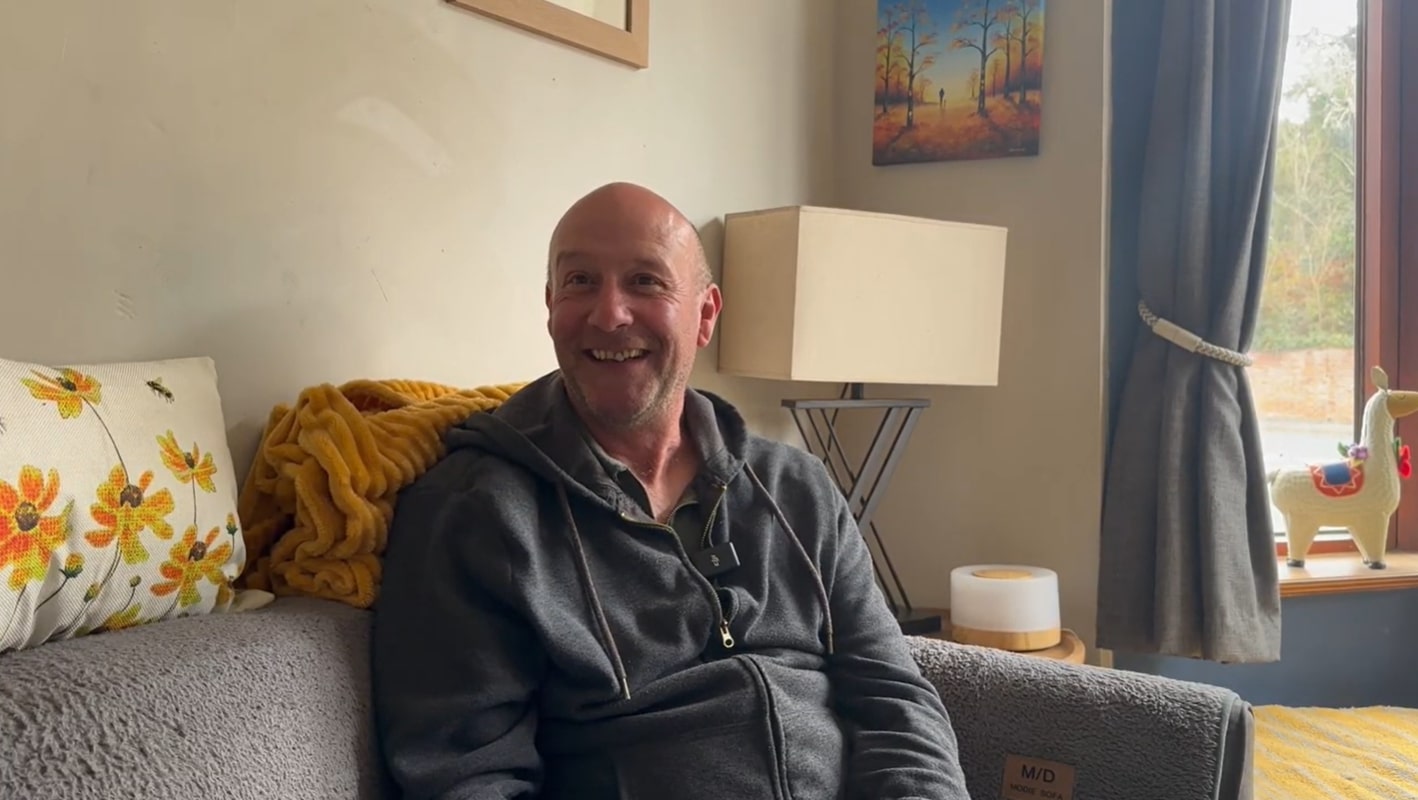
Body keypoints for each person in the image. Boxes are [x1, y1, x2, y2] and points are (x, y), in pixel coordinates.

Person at [371, 182, 971, 799]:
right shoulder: (474, 511)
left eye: (645, 281)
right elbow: (466, 775)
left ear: (706, 314)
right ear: (550, 304)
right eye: (579, 281)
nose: (609, 314)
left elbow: (893, 695)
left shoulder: (797, 487)